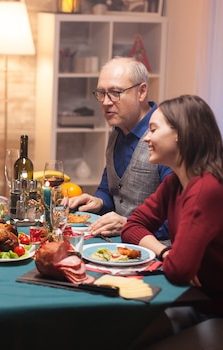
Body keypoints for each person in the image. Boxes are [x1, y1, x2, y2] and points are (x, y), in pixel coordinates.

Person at [116, 95, 223, 350]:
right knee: (118, 343)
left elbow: (180, 271)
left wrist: (174, 259)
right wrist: (165, 251)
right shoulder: (176, 183)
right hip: (202, 306)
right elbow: (133, 225)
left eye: (154, 130)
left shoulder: (206, 191)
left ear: (181, 134)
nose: (145, 139)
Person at [68, 57, 171, 238]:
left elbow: (175, 217)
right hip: (118, 247)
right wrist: (98, 201)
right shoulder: (117, 131)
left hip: (157, 252)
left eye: (115, 92)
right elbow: (109, 191)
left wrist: (129, 224)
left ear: (142, 92)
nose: (106, 102)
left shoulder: (164, 136)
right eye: (101, 93)